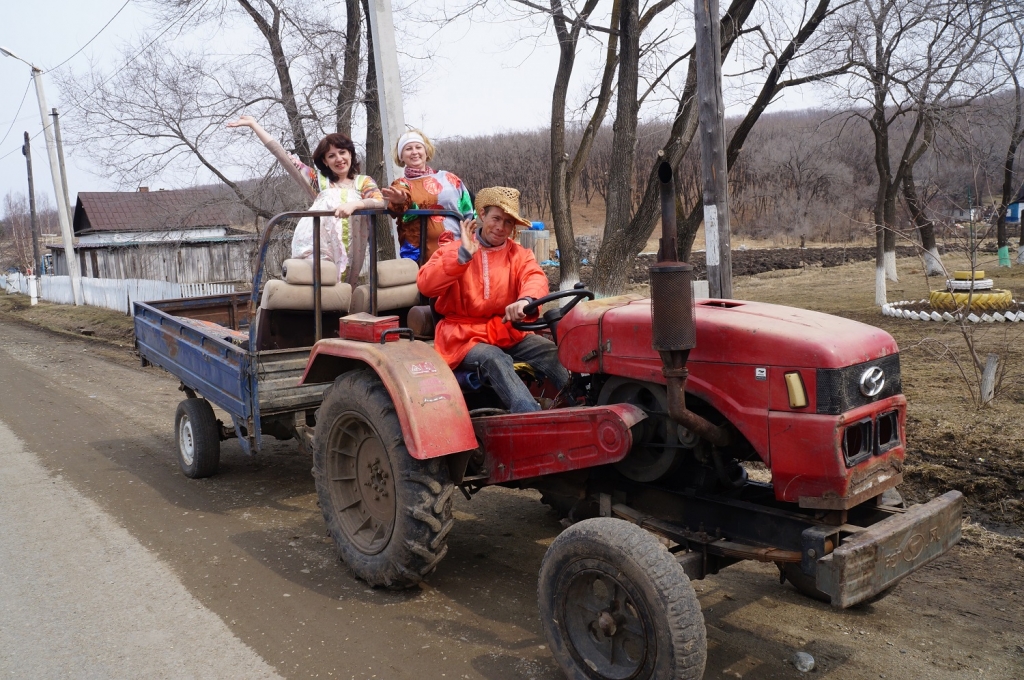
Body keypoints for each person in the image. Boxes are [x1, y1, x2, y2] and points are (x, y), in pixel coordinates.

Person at [417, 187, 568, 413]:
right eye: (496, 218)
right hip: (463, 335)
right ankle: (528, 415)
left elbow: (534, 277)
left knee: (552, 352)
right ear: (482, 216)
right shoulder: (453, 250)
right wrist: (462, 258)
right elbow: (426, 285)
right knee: (494, 358)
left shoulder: (519, 254)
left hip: (505, 330)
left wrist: (525, 300)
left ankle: (580, 405)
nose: (500, 227)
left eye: (508, 222)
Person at [227, 116, 385, 281]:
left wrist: (355, 205)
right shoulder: (319, 182)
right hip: (318, 247)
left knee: (344, 290)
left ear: (351, 154)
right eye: (331, 155)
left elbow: (379, 201)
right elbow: (283, 156)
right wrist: (254, 125)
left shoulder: (363, 182)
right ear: (325, 161)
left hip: (352, 248)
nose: (339, 159)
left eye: (342, 152)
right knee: (320, 286)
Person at [380, 129, 473, 262]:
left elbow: (468, 210)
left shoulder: (449, 178)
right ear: (401, 156)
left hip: (459, 249)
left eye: (418, 147)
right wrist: (401, 200)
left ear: (426, 151)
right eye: (408, 149)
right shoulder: (401, 184)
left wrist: (471, 239)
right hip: (422, 255)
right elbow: (400, 200)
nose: (414, 152)